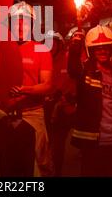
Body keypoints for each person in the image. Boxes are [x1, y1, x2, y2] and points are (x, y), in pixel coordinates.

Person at [0, 1, 54, 177]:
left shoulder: (41, 49)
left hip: (31, 114)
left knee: (40, 165)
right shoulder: (0, 50)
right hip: (3, 114)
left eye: (25, 21)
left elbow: (47, 85)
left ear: (31, 25)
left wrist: (24, 90)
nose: (20, 25)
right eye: (15, 21)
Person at [68, 25, 112, 177]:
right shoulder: (85, 73)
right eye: (98, 48)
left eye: (105, 47)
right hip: (93, 145)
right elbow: (73, 70)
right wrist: (75, 47)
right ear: (91, 50)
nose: (102, 51)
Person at [44, 30, 76, 176]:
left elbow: (74, 82)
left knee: (59, 142)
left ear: (59, 44)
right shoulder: (43, 60)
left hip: (64, 108)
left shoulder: (68, 59)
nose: (51, 46)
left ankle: (58, 170)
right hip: (46, 107)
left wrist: (65, 98)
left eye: (53, 42)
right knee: (47, 141)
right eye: (48, 42)